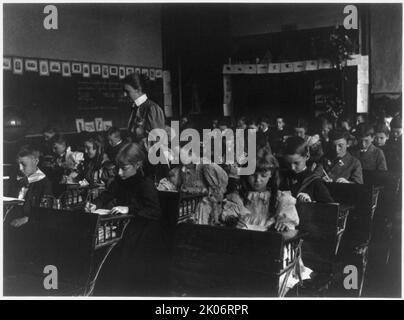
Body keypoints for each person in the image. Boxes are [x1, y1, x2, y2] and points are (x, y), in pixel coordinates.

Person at [88, 143, 166, 296]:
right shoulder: (119, 180)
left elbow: (155, 211)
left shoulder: (145, 184)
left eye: (124, 168)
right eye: (118, 167)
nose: (119, 172)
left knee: (121, 259)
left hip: (142, 232)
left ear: (137, 165)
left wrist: (130, 209)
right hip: (124, 226)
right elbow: (107, 195)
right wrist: (94, 204)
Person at [221, 150, 299, 232]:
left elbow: (288, 224)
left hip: (269, 240)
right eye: (252, 175)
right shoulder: (238, 197)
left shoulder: (281, 199)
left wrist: (283, 225)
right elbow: (228, 214)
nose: (258, 180)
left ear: (271, 174)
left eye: (263, 175)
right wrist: (231, 220)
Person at [280, 136, 333, 203]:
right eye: (288, 163)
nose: (292, 168)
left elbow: (330, 209)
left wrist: (311, 203)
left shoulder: (315, 182)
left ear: (307, 156)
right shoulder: (281, 177)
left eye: (296, 163)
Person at [123, 72, 165, 141]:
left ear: (138, 90)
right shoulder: (135, 108)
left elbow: (159, 139)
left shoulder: (152, 108)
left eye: (127, 91)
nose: (125, 95)